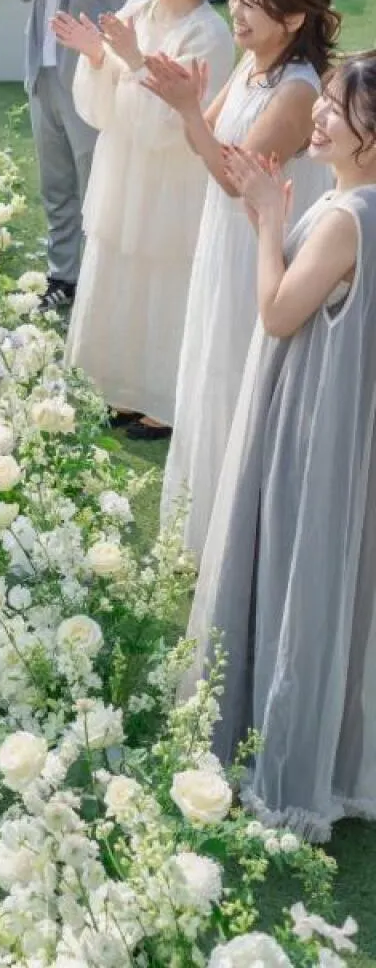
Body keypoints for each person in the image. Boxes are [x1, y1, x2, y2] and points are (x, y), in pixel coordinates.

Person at [184, 54, 376, 840]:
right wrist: (268, 216)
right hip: (338, 415)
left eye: (338, 109)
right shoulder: (348, 205)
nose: (319, 117)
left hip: (312, 417)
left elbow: (277, 313)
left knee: (296, 570)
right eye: (323, 100)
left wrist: (268, 218)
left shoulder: (346, 217)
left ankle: (284, 755)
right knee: (333, 579)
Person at [144, 0, 337, 556]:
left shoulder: (298, 91)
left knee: (237, 373)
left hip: (259, 245)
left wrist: (188, 112)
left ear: (294, 19)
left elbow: (234, 176)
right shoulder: (253, 65)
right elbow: (206, 136)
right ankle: (202, 525)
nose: (240, 14)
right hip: (224, 238)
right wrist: (189, 110)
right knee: (211, 364)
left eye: (256, 5)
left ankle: (237, 540)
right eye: (240, 0)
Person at [53, 0, 234, 438]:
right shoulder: (132, 12)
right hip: (122, 169)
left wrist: (131, 62)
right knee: (119, 270)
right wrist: (95, 58)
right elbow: (101, 110)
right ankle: (119, 388)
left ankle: (163, 398)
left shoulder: (207, 34)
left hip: (172, 180)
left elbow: (171, 125)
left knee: (165, 281)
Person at [5, 0, 139, 311]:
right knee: (55, 181)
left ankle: (102, 281)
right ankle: (63, 278)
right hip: (41, 66)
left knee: (94, 178)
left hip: (91, 65)